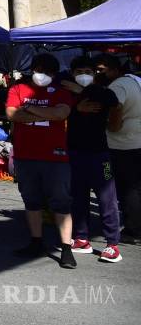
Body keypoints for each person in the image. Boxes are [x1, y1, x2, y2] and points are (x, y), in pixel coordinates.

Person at [5, 53, 77, 269]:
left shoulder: (62, 91)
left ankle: (66, 248)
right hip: (26, 155)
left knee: (61, 201)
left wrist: (28, 109)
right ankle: (36, 241)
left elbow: (62, 113)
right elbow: (11, 114)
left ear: (54, 74)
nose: (41, 75)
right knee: (31, 200)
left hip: (55, 156)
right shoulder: (18, 89)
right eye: (38, 70)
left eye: (47, 72)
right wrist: (47, 114)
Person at [61, 56, 122, 262]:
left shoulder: (102, 93)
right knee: (78, 197)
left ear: (95, 74)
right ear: (72, 74)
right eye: (79, 72)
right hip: (75, 153)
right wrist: (77, 107)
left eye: (88, 72)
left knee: (107, 199)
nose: (83, 76)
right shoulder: (67, 92)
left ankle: (112, 244)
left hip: (100, 155)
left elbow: (113, 101)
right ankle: (81, 238)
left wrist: (83, 92)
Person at [102, 54, 141, 246]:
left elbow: (116, 107)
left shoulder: (118, 86)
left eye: (103, 70)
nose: (99, 74)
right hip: (135, 140)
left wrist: (112, 127)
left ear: (115, 70)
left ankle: (133, 229)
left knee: (128, 188)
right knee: (135, 187)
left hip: (122, 144)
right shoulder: (135, 81)